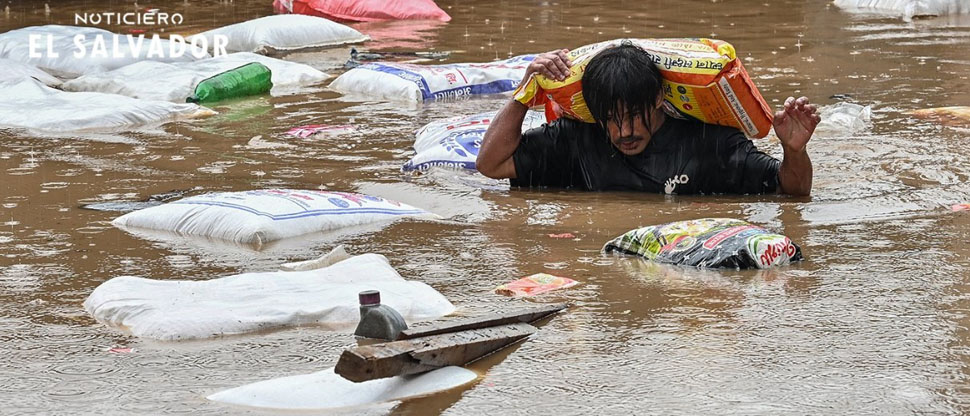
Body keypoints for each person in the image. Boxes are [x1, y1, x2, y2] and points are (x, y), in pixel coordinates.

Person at [476, 44, 820, 196]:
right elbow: (491, 164)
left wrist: (794, 151)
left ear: (658, 99)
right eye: (610, 119)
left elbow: (792, 191)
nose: (624, 131)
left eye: (632, 116)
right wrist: (524, 92)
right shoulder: (575, 140)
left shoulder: (710, 144)